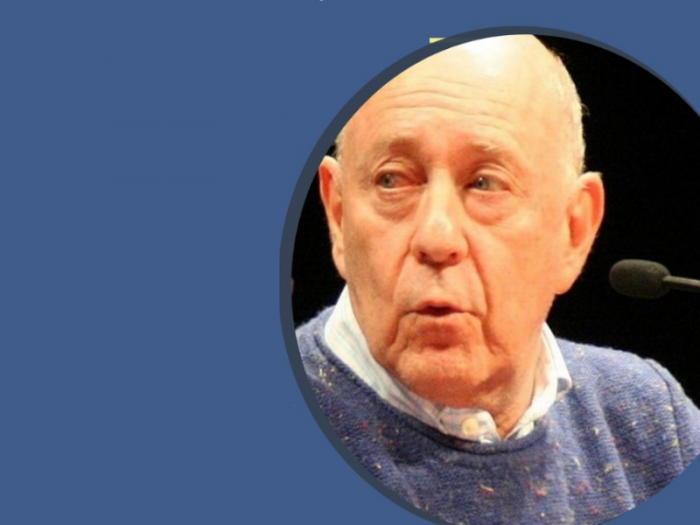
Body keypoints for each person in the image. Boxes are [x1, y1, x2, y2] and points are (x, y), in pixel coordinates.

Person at [295, 35, 700, 525]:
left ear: (574, 231)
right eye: (392, 179)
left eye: (485, 183)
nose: (437, 237)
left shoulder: (648, 420)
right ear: (338, 216)